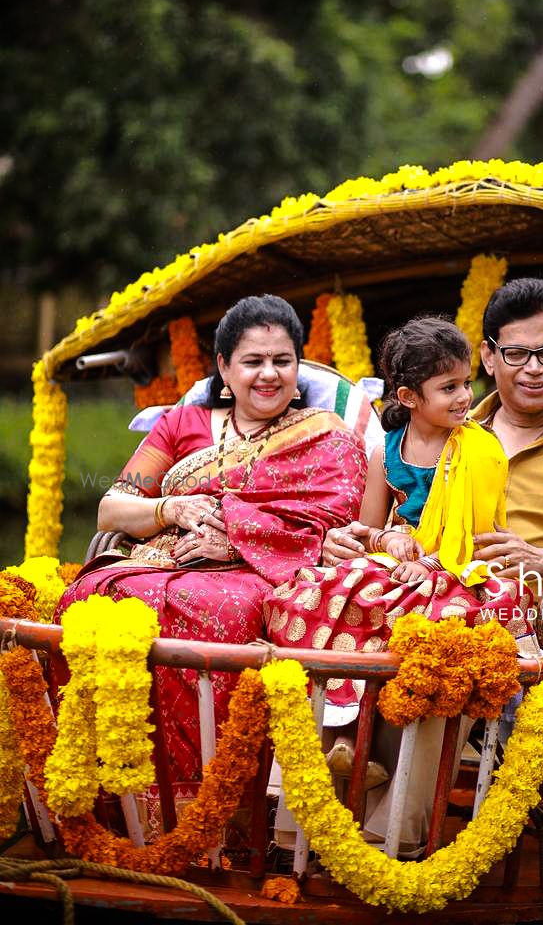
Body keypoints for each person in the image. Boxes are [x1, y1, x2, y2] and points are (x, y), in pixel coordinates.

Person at [56, 294, 367, 809]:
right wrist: (171, 510)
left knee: (219, 610)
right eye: (252, 361)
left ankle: (220, 802)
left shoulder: (326, 438)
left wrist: (235, 536)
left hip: (266, 572)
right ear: (223, 368)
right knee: (89, 598)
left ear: (296, 366)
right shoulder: (184, 424)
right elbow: (112, 510)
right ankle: (111, 796)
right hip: (161, 556)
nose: (269, 375)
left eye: (282, 361)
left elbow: (326, 526)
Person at [264, 319, 528, 736]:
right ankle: (343, 727)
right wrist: (386, 537)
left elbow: (481, 538)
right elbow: (366, 531)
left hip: (462, 569)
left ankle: (384, 729)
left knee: (433, 617)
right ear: (408, 397)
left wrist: (433, 565)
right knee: (325, 589)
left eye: (466, 383)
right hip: (398, 565)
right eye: (449, 388)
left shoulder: (481, 448)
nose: (465, 397)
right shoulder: (386, 453)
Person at [326, 278, 543, 613]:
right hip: (420, 595)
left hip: (534, 614)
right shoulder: (447, 427)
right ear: (488, 356)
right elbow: (375, 530)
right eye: (516, 354)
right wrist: (347, 544)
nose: (534, 368)